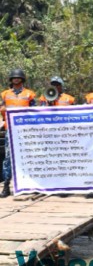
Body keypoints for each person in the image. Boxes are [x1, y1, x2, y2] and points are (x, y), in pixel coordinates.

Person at [1, 69, 36, 198]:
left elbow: (34, 111)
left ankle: (28, 184)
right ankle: (6, 186)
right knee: (8, 158)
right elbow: (2, 110)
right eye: (14, 78)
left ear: (22, 79)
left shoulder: (29, 94)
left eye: (18, 77)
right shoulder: (5, 94)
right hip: (10, 130)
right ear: (11, 79)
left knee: (27, 156)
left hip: (25, 130)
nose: (16, 79)